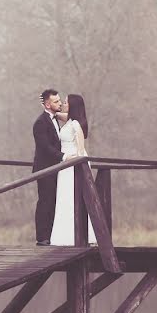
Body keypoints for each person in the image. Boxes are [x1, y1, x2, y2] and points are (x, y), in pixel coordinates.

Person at [50, 94, 97, 245]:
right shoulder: (69, 120)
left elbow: (81, 151)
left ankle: (77, 236)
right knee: (64, 199)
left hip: (73, 166)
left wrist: (70, 159)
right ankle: (64, 236)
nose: (63, 104)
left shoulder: (76, 124)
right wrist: (50, 110)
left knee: (73, 199)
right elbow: (60, 115)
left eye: (66, 102)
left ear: (73, 105)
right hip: (65, 167)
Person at [32, 88, 69, 245]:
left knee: (54, 201)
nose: (59, 103)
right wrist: (64, 157)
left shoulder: (54, 119)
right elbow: (45, 147)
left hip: (55, 169)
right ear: (47, 105)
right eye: (56, 101)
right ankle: (42, 238)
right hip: (45, 169)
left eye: (60, 100)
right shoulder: (40, 123)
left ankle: (52, 235)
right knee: (45, 202)